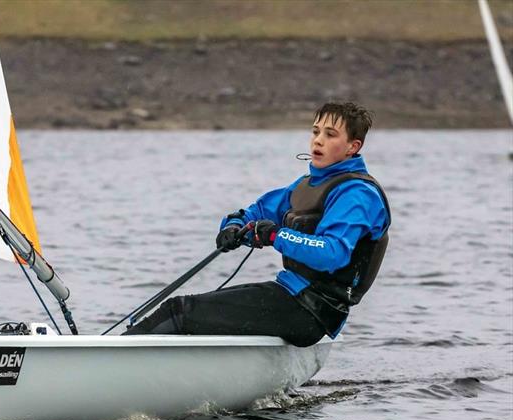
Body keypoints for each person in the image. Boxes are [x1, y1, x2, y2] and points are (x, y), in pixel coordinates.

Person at [124, 102, 391, 347]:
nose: (318, 140)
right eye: (316, 131)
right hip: (289, 294)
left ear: (352, 147)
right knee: (193, 315)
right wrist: (233, 227)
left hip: (311, 311)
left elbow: (331, 253)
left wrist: (275, 235)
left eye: (330, 135)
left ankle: (110, 360)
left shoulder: (357, 195)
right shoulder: (304, 186)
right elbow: (257, 211)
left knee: (178, 311)